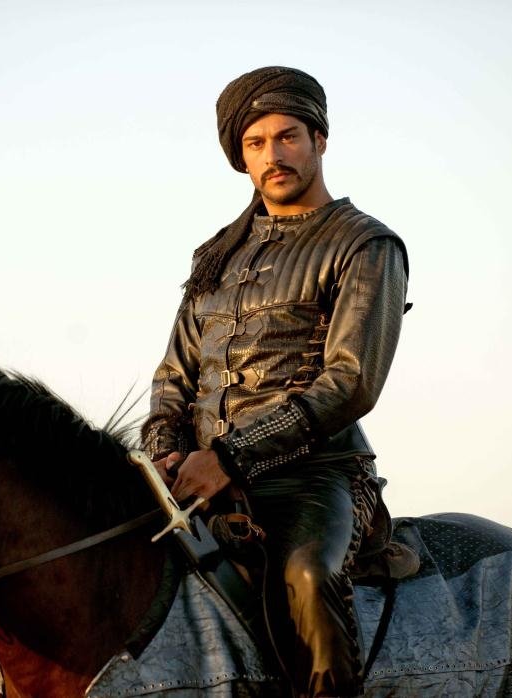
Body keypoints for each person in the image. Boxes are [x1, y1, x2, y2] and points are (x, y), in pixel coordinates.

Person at [141, 66, 410, 698]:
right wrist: (165, 452)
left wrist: (229, 456)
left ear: (320, 140)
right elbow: (174, 376)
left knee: (309, 578)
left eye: (287, 136)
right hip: (193, 476)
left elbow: (351, 382)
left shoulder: (366, 244)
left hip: (314, 474)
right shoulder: (217, 254)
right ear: (241, 156)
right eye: (256, 143)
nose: (273, 155)